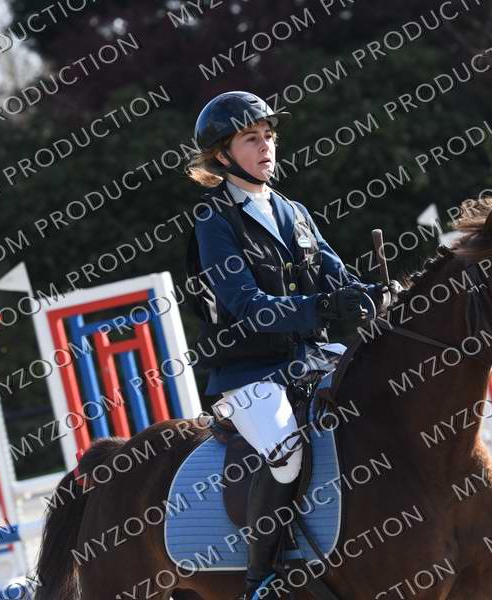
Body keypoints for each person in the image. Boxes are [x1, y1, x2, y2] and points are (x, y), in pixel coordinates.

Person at [185, 91, 397, 599]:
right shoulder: (214, 220)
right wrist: (324, 308)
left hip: (310, 359)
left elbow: (337, 276)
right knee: (287, 455)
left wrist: (380, 294)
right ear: (222, 154)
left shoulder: (294, 211)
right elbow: (246, 304)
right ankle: (260, 578)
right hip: (248, 372)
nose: (266, 147)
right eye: (251, 139)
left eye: (269, 137)